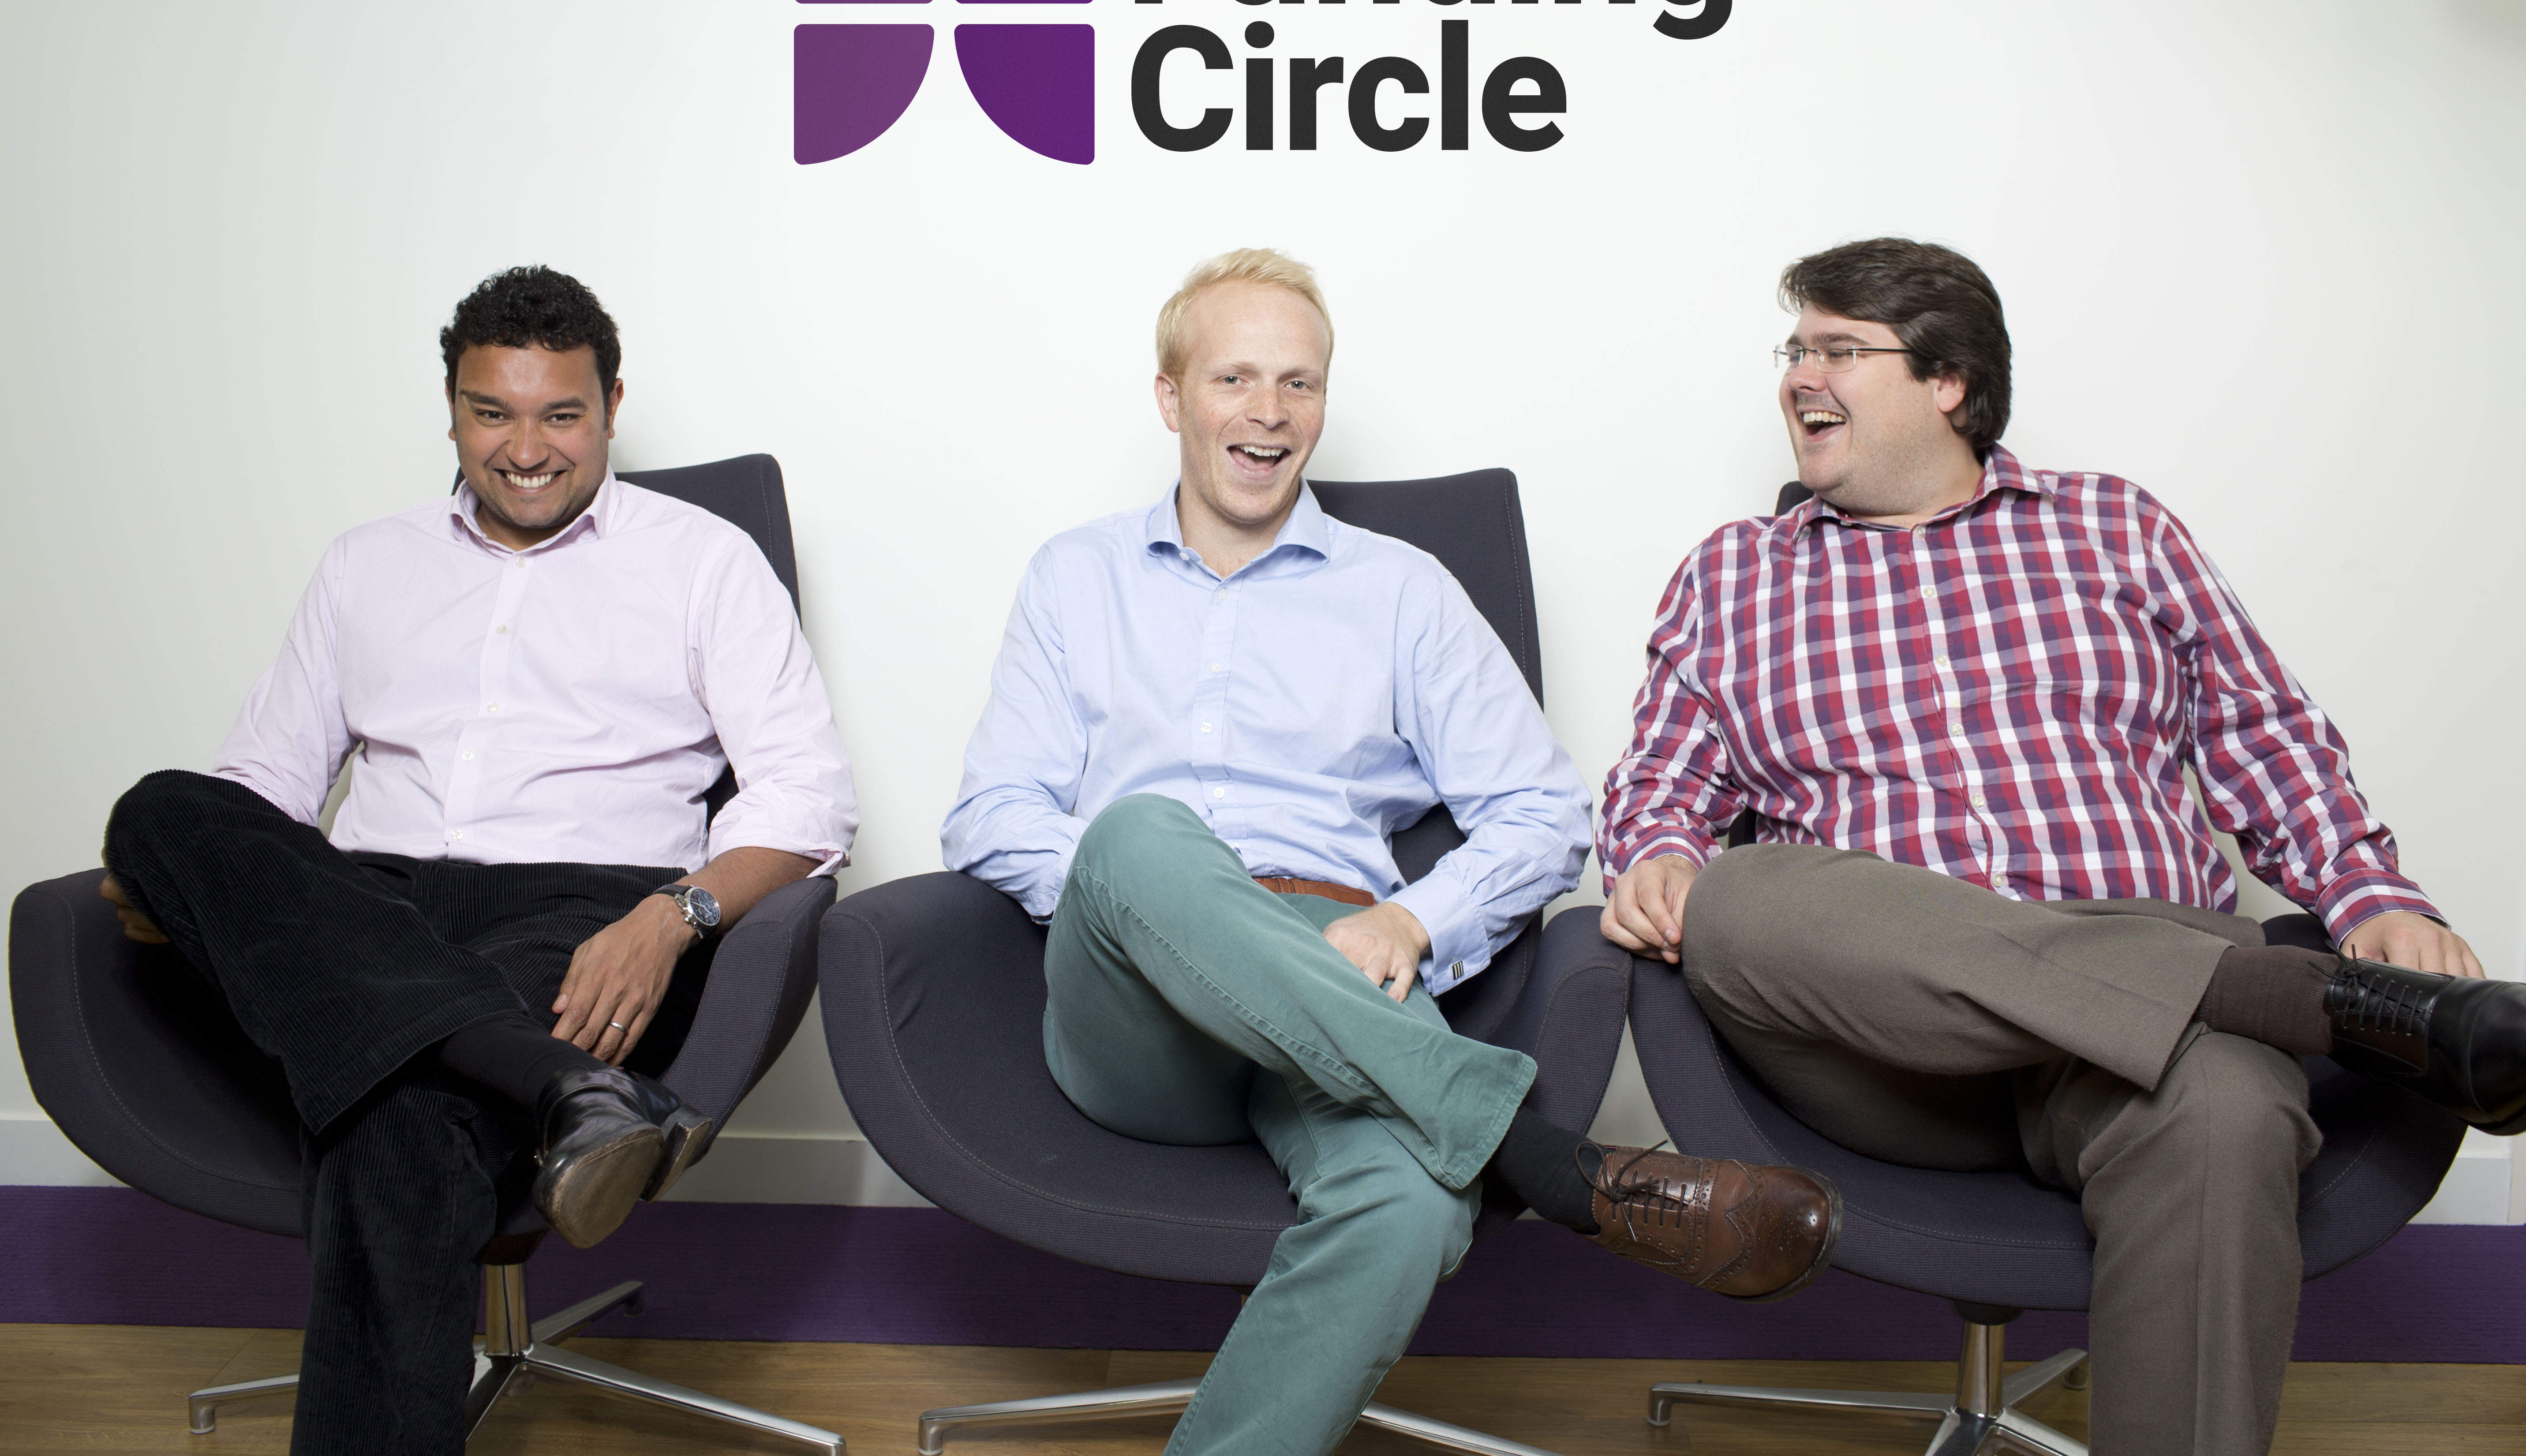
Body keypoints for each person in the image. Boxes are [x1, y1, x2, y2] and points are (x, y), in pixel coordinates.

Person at [1598, 236, 2526, 1456]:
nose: (1798, 377)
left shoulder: (2115, 527)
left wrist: (2369, 896)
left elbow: (2262, 736)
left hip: (2137, 1041)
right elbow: (1656, 787)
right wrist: (1658, 851)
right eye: (1795, 349)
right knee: (1743, 895)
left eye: (1838, 350)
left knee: (2229, 1109)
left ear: (1949, 382)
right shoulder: (1733, 575)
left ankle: (2253, 1002)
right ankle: (2302, 1003)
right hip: (1882, 1052)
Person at [943, 248, 1841, 1456]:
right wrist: (1164, 908)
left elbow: (1542, 809)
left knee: (1412, 1203)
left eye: (1299, 384)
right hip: (1137, 1004)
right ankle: (1547, 1162)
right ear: (1171, 398)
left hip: (1344, 964)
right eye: (1235, 379)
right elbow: (993, 812)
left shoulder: (1404, 591)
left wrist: (1415, 919)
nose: (1269, 412)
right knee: (1142, 834)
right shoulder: (1076, 576)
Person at [97, 266, 856, 1456]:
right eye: (493, 413)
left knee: (397, 1116)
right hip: (365, 906)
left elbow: (810, 799)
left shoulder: (705, 563)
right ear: (451, 410)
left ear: (613, 407)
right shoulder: (367, 563)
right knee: (158, 811)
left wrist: (673, 919)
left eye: (563, 415)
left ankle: (545, 1074)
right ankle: (564, 1087)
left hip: (584, 916)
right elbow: (264, 784)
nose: (528, 450)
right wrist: (197, 880)